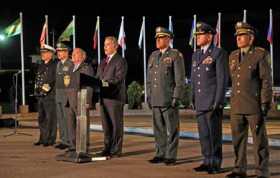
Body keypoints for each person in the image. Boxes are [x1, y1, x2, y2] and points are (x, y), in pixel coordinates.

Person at [226, 22, 272, 178]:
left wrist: (265, 102)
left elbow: (266, 80)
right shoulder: (232, 56)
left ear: (251, 38)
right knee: (238, 140)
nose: (238, 38)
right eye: (237, 36)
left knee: (259, 141)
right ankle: (239, 169)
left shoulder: (260, 54)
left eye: (241, 35)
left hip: (254, 105)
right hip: (237, 105)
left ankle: (262, 171)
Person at [190, 22, 228, 174]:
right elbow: (194, 79)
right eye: (197, 35)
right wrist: (192, 98)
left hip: (212, 101)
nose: (197, 38)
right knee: (204, 134)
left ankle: (215, 163)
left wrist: (218, 101)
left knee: (214, 135)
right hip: (200, 101)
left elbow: (222, 79)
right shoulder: (196, 54)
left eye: (200, 35)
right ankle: (206, 160)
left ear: (209, 36)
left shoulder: (218, 53)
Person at [147, 26, 185, 166]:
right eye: (157, 38)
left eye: (161, 37)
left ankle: (171, 155)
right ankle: (160, 153)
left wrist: (176, 97)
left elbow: (180, 79)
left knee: (172, 129)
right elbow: (150, 79)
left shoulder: (175, 55)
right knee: (158, 129)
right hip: (156, 99)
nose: (158, 40)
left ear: (169, 39)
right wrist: (149, 95)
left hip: (169, 99)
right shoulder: (153, 55)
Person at [96, 36, 127, 158]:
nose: (105, 47)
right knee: (106, 125)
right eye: (104, 44)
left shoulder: (120, 61)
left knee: (116, 124)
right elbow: (98, 77)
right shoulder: (103, 62)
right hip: (103, 98)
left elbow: (118, 79)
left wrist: (103, 83)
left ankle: (116, 149)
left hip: (115, 98)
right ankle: (107, 148)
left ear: (115, 46)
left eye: (108, 44)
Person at [65, 48, 93, 153]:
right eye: (72, 54)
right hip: (70, 101)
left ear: (83, 57)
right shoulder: (70, 68)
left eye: (76, 54)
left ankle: (83, 147)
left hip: (81, 101)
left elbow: (89, 86)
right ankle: (73, 146)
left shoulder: (86, 68)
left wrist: (87, 101)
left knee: (82, 125)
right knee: (71, 124)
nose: (73, 55)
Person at [34, 44, 57, 147]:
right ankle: (42, 138)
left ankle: (50, 139)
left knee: (50, 118)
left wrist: (45, 90)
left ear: (51, 54)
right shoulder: (41, 65)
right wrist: (37, 91)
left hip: (50, 96)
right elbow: (38, 80)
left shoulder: (55, 65)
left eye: (44, 53)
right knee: (41, 118)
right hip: (40, 96)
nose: (42, 54)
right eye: (42, 53)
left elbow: (53, 81)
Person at [55, 42, 74, 150]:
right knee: (61, 119)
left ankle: (70, 141)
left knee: (68, 119)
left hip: (66, 95)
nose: (58, 53)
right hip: (58, 94)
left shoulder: (70, 64)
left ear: (66, 52)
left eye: (61, 51)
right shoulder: (58, 64)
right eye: (57, 51)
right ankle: (63, 140)